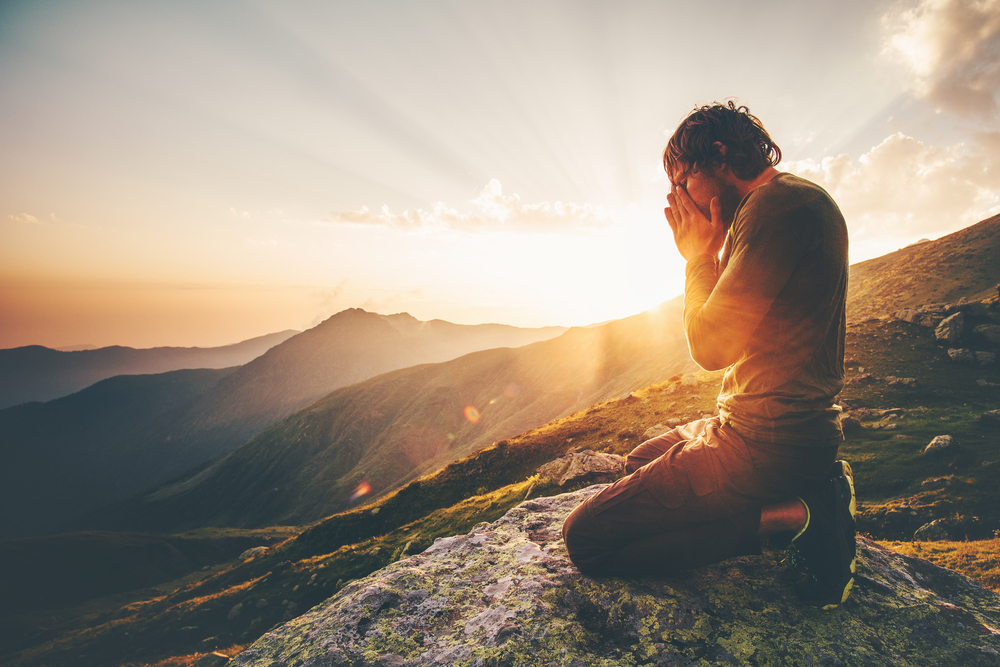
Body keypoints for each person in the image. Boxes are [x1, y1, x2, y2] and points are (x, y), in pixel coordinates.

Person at [562, 101, 856, 609]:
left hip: (768, 443)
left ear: (718, 155)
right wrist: (713, 252)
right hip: (777, 431)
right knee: (639, 461)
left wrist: (698, 257)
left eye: (681, 180)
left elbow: (712, 347)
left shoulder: (775, 209)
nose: (677, 198)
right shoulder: (787, 202)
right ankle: (813, 486)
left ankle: (802, 514)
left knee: (587, 539)